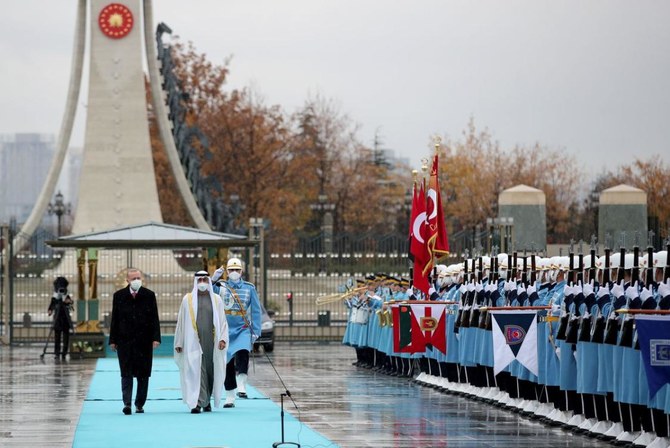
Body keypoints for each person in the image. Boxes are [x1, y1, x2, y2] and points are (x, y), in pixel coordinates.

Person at [174, 271, 229, 413]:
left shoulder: (216, 299)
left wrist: (223, 339)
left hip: (212, 341)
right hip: (193, 341)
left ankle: (207, 400)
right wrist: (179, 342)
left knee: (210, 371)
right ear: (196, 281)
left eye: (205, 279)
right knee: (197, 369)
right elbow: (181, 322)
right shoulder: (188, 300)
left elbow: (223, 322)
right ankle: (198, 402)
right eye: (200, 280)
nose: (202, 282)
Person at [109, 268, 161, 415]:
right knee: (126, 373)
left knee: (143, 374)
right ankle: (127, 403)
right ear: (127, 280)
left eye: (138, 277)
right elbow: (115, 319)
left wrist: (156, 337)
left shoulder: (149, 295)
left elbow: (154, 318)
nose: (137, 280)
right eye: (134, 278)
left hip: (144, 341)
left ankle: (139, 403)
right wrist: (113, 340)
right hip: (124, 341)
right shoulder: (119, 296)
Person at [212, 257, 262, 408]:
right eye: (231, 270)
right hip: (225, 329)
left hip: (242, 328)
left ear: (242, 271)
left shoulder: (249, 288)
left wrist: (256, 331)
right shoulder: (221, 286)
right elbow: (206, 291)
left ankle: (242, 384)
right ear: (227, 272)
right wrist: (213, 280)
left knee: (243, 352)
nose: (234, 273)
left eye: (237, 270)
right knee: (226, 363)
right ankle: (229, 396)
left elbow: (256, 310)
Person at [47, 276, 73, 359]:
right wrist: (50, 310)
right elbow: (52, 304)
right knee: (57, 337)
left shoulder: (66, 296)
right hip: (58, 318)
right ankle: (57, 353)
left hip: (65, 318)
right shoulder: (55, 296)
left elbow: (71, 306)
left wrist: (68, 302)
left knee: (66, 337)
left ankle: (64, 353)